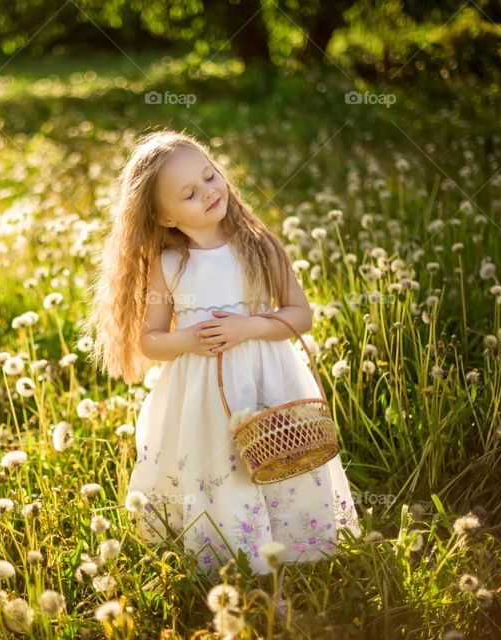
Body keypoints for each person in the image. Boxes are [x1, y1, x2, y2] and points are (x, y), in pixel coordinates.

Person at [81, 128, 361, 604]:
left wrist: (249, 327)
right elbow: (151, 340)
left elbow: (300, 316)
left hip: (267, 379)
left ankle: (295, 542)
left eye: (210, 177)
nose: (209, 192)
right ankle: (228, 547)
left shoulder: (259, 245)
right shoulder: (169, 265)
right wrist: (187, 338)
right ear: (162, 215)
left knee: (278, 453)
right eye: (189, 193)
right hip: (203, 393)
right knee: (221, 466)